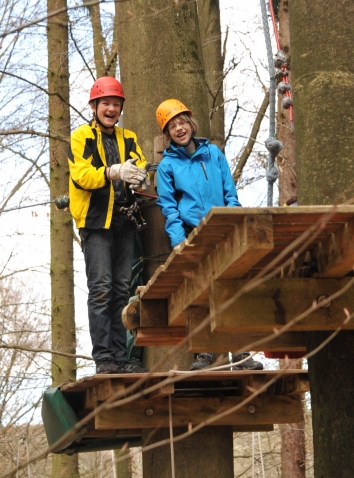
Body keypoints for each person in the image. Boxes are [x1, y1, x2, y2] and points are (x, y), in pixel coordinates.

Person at [155, 98, 263, 371]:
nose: (179, 129)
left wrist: (233, 219)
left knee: (229, 287)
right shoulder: (167, 166)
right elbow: (168, 207)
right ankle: (203, 356)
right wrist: (179, 241)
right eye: (172, 126)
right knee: (199, 291)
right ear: (167, 134)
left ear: (190, 123)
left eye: (182, 122)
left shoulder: (213, 153)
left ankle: (241, 354)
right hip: (193, 233)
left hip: (222, 227)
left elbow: (229, 190)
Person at [68, 76, 150, 374]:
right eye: (106, 103)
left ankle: (122, 357)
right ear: (94, 106)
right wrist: (114, 171)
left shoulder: (128, 138)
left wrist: (141, 177)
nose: (111, 109)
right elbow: (82, 175)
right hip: (95, 223)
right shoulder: (81, 137)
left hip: (124, 220)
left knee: (120, 289)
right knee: (101, 289)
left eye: (116, 104)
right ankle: (104, 358)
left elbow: (139, 164)